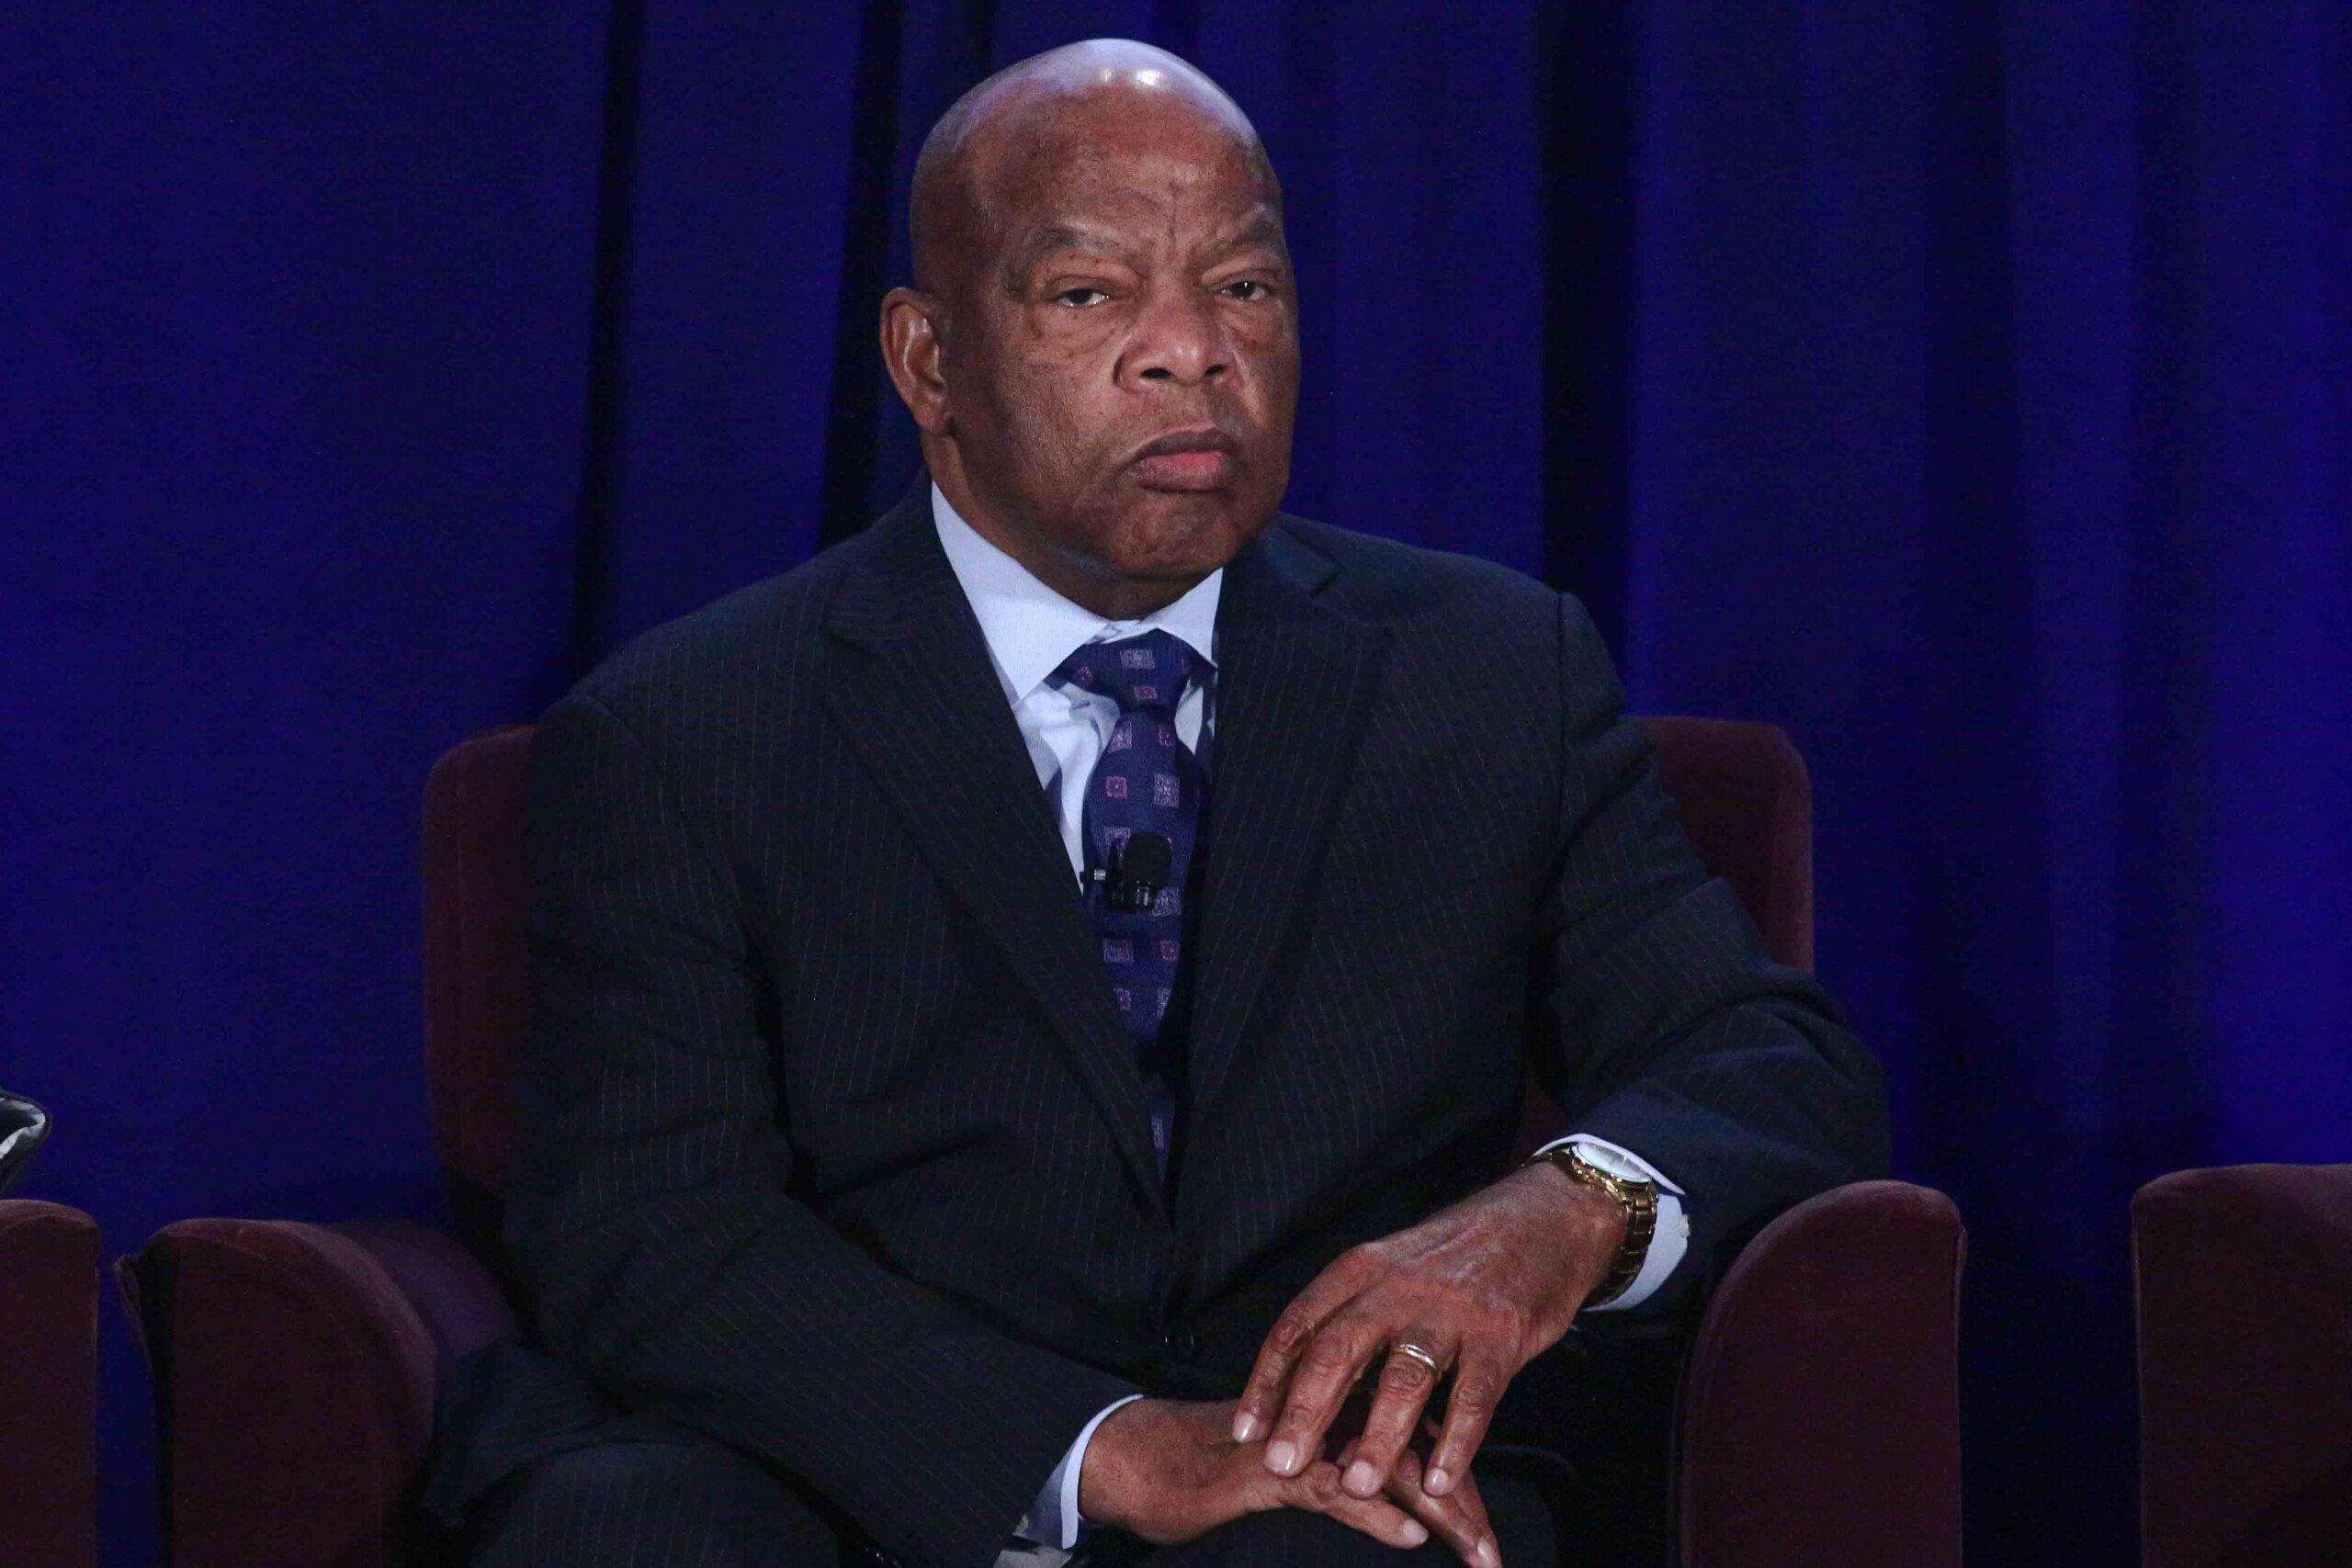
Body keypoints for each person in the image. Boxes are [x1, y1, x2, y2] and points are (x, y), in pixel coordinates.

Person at [434, 38, 1888, 1568]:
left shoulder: (1491, 672)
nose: (1191, 351)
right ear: (930, 361)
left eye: (1245, 289)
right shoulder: (690, 730)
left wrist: (1559, 1211)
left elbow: (1769, 1063)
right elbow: (654, 1231)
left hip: (1321, 1468)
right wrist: (1096, 1449)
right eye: (1090, 294)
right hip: (856, 1460)